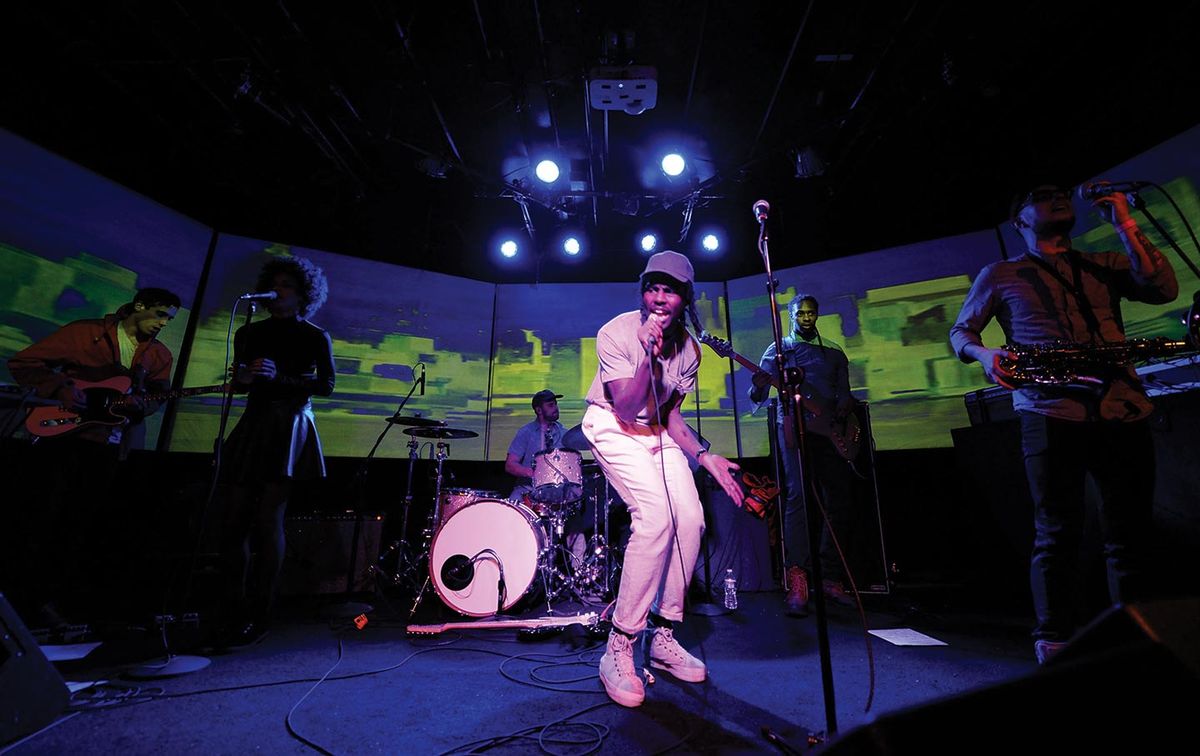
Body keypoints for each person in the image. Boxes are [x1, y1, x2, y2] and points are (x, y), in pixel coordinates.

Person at [950, 182, 1177, 664]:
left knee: (1131, 534)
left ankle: (1136, 637)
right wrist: (986, 355)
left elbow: (1163, 289)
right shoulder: (1000, 274)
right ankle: (1054, 640)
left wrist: (1125, 223)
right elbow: (961, 332)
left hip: (1122, 408)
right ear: (1019, 221)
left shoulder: (1105, 263)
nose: (1057, 197)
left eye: (1060, 193)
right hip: (1050, 412)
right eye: (1041, 195)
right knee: (1057, 532)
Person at [581, 250, 744, 707]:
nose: (658, 298)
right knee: (655, 518)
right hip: (613, 424)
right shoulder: (615, 332)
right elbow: (626, 407)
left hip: (656, 432)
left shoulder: (691, 350)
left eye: (669, 291)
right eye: (651, 288)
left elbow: (669, 416)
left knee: (690, 519)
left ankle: (663, 635)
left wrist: (705, 456)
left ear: (684, 298)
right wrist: (649, 359)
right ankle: (619, 644)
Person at [5, 287, 181, 627]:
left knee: (83, 525)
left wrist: (145, 405)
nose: (163, 323)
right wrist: (60, 387)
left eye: (169, 319)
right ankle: (24, 600)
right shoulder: (85, 333)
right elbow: (24, 362)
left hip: (112, 446)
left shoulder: (159, 355)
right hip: (62, 439)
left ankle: (57, 601)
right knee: (42, 518)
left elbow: (159, 394)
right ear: (139, 306)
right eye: (160, 314)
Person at [218, 255, 335, 648]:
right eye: (275, 283)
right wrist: (244, 377)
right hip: (254, 422)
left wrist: (279, 377)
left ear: (303, 294)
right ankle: (230, 610)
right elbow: (242, 385)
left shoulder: (314, 336)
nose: (277, 290)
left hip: (289, 424)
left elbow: (326, 386)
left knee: (269, 520)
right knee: (233, 521)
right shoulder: (249, 332)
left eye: (286, 285)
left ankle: (260, 613)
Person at [749, 294, 857, 617]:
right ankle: (797, 577)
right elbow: (757, 394)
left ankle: (830, 577)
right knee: (797, 496)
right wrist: (759, 385)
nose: (806, 318)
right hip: (793, 428)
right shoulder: (779, 351)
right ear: (791, 315)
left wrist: (843, 407)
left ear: (817, 315)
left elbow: (845, 393)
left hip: (830, 432)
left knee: (837, 498)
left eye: (811, 313)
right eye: (801, 314)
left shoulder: (834, 352)